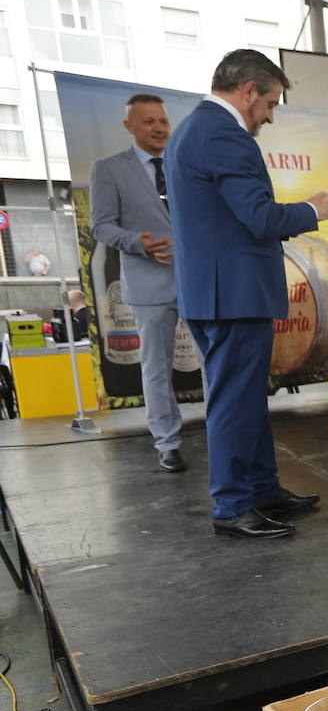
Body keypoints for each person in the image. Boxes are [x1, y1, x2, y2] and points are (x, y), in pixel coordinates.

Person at [165, 49, 328, 539]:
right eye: (270, 103)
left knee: (244, 399)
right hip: (232, 296)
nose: (270, 114)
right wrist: (313, 209)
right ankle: (233, 505)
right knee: (234, 403)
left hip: (220, 292)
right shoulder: (223, 134)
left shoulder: (194, 130)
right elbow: (260, 218)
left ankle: (262, 489)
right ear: (247, 91)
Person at [91, 93, 188, 473]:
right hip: (148, 283)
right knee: (157, 367)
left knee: (213, 360)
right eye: (148, 121)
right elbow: (101, 225)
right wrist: (138, 243)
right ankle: (168, 442)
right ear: (129, 126)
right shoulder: (110, 169)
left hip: (197, 279)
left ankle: (222, 433)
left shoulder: (184, 165)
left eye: (163, 120)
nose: (159, 127)